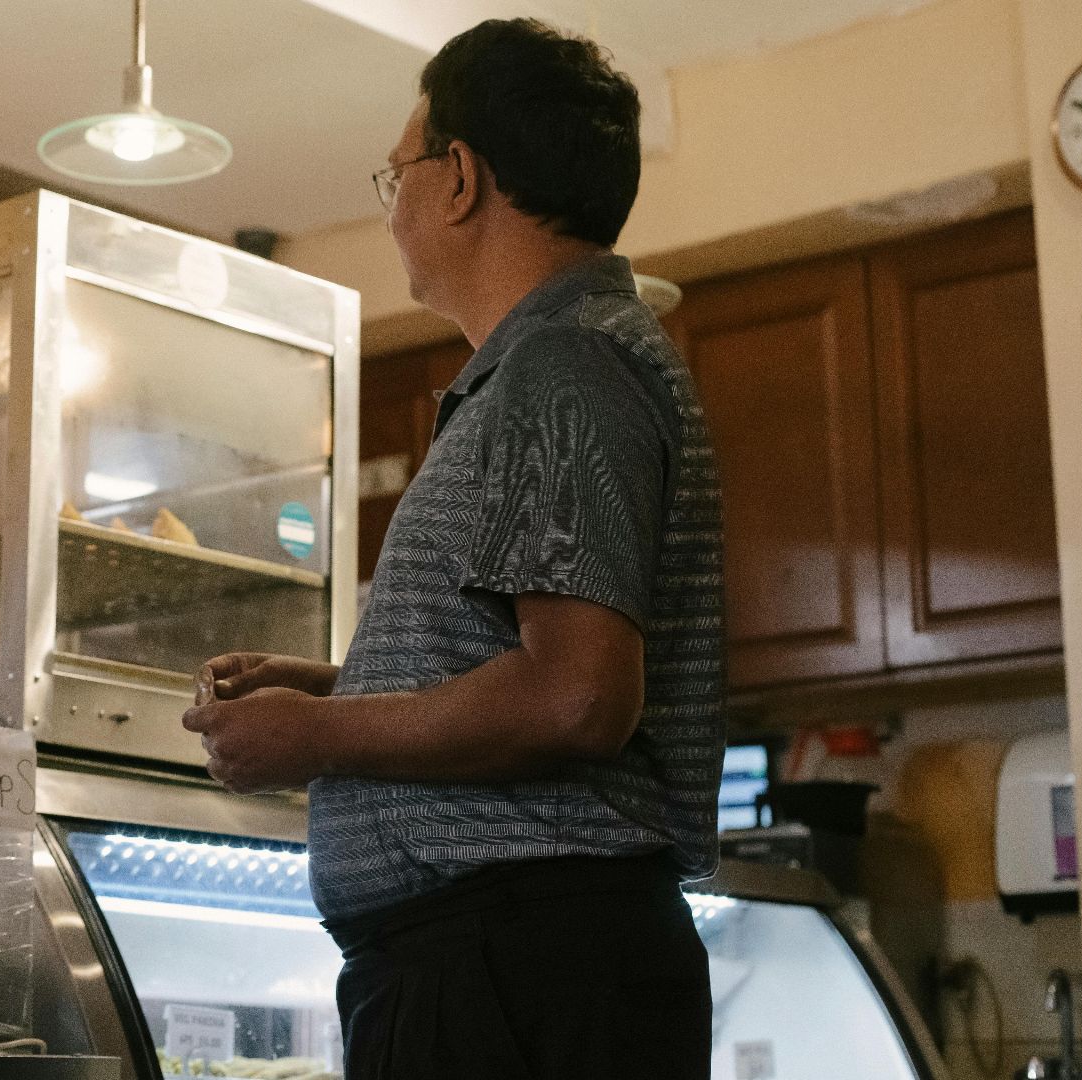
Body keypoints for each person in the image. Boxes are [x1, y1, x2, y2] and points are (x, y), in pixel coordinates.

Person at [183, 18, 724, 1080]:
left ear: (461, 178)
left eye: (396, 178)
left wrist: (320, 736)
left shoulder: (562, 365)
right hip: (514, 966)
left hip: (512, 971)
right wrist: (340, 690)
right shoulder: (557, 363)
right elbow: (541, 673)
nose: (392, 212)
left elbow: (576, 698)